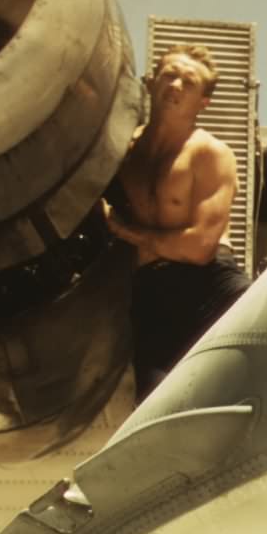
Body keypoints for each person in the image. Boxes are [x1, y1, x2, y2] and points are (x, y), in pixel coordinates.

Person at [105, 47, 246, 395]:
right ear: (151, 83)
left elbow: (199, 248)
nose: (177, 84)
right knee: (155, 411)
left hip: (211, 286)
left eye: (189, 81)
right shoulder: (121, 153)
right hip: (152, 295)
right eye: (169, 75)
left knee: (248, 393)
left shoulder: (210, 154)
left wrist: (124, 230)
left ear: (203, 102)